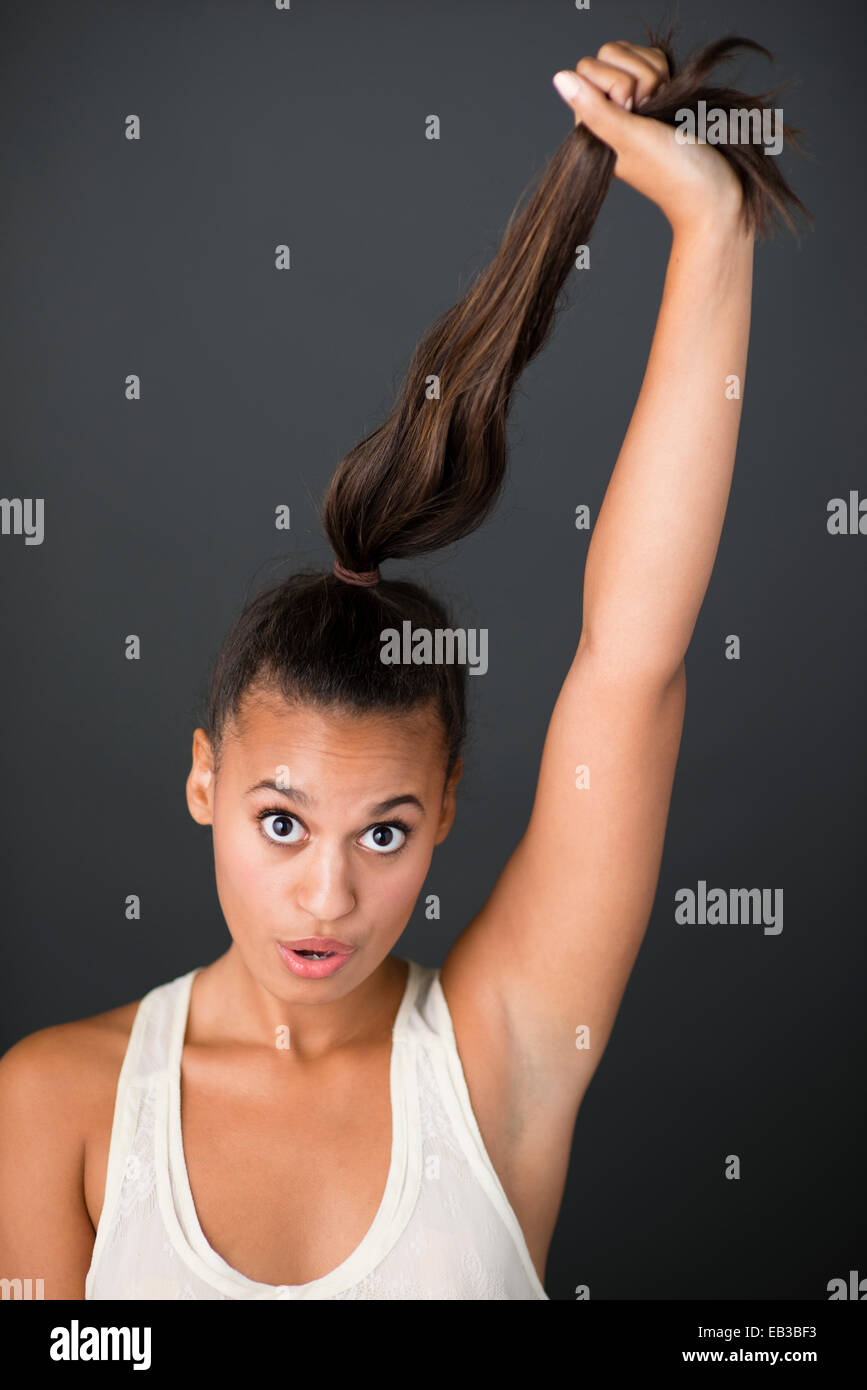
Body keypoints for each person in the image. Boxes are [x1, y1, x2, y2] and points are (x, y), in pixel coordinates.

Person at [0, 32, 805, 1300]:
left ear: (445, 813)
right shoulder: (55, 1104)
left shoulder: (496, 1062)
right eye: (280, 820)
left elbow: (632, 660)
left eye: (385, 834)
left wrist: (713, 229)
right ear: (203, 781)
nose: (325, 898)